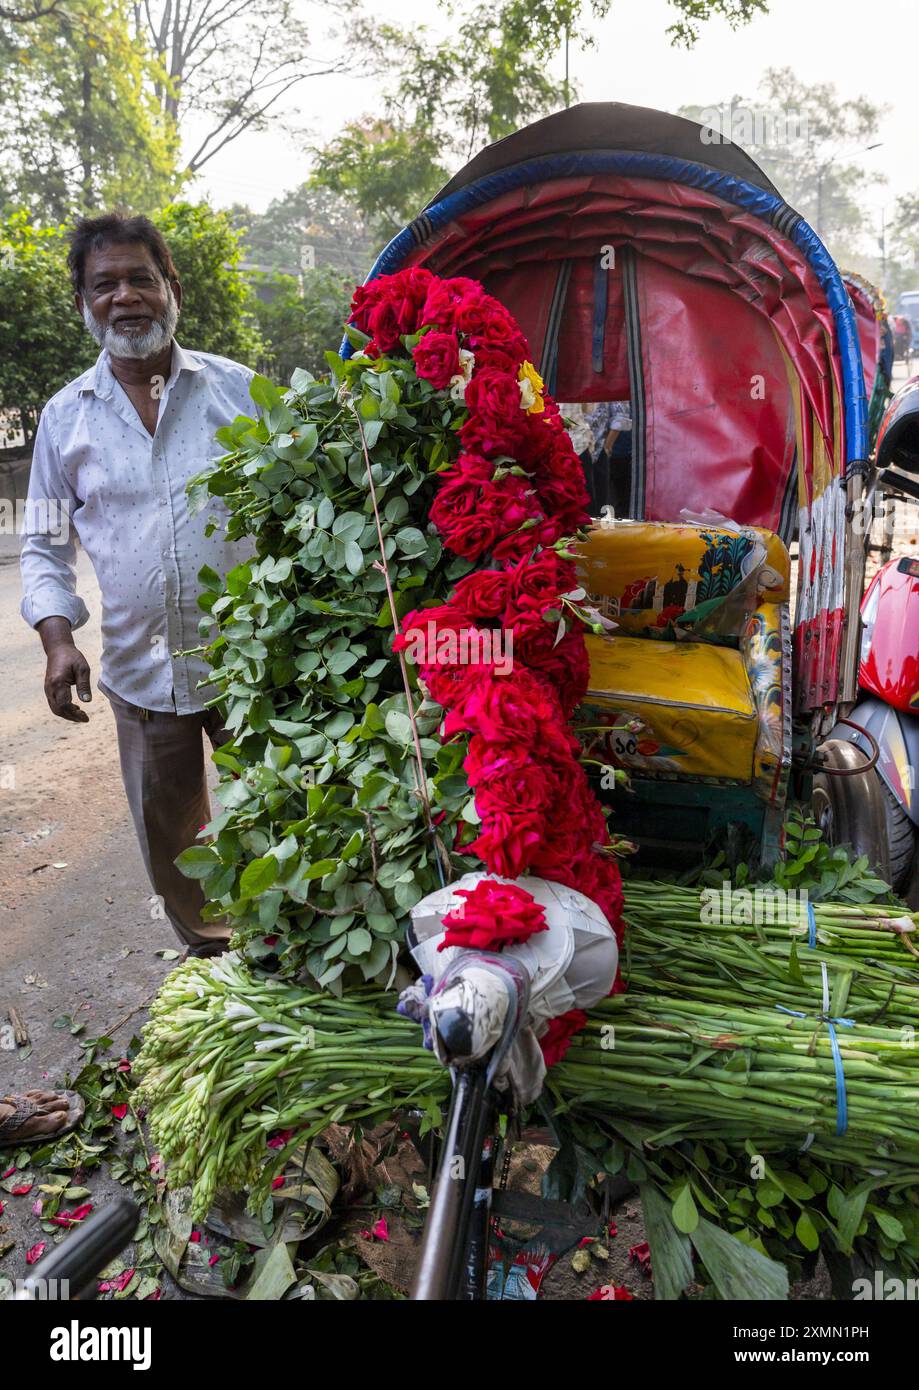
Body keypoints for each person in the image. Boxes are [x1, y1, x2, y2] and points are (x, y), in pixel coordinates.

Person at [20, 213, 256, 956]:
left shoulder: (240, 395)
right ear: (84, 304)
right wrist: (57, 641)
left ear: (170, 288)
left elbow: (302, 514)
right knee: (174, 845)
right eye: (104, 284)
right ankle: (210, 964)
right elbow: (43, 545)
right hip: (141, 676)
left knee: (281, 818)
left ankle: (287, 955)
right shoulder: (65, 420)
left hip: (254, 667)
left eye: (140, 278)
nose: (125, 297)